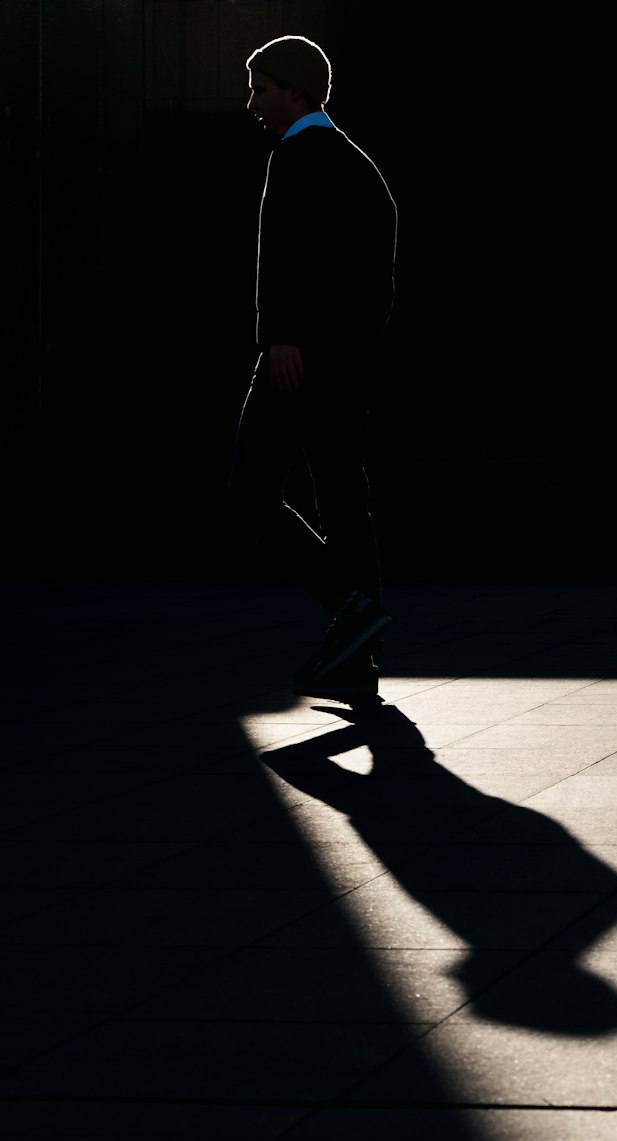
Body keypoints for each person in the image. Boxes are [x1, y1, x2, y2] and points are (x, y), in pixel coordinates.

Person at [229, 34, 397, 701]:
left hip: (294, 359)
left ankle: (350, 605)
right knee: (343, 498)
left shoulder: (298, 156)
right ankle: (359, 649)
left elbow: (288, 259)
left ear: (296, 90)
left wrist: (285, 338)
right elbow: (372, 283)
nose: (251, 102)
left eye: (260, 88)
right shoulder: (359, 165)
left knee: (251, 493)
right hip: (342, 362)